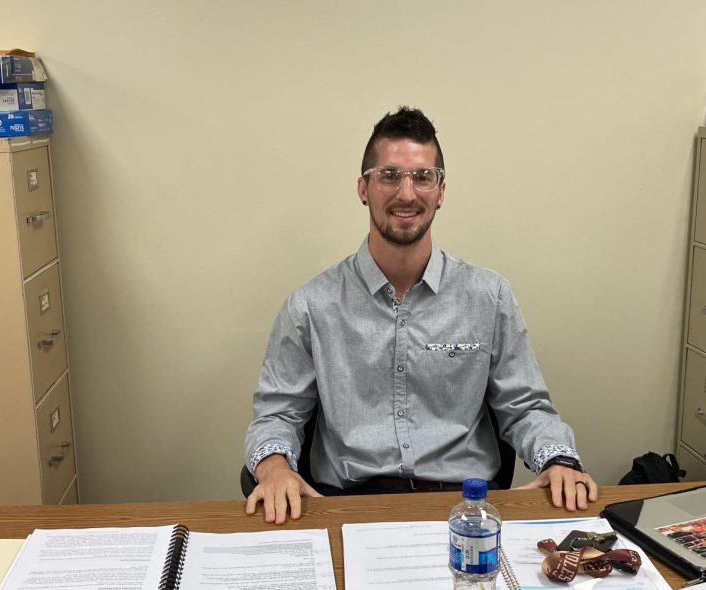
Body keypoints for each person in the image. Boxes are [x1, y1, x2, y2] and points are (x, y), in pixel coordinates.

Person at [244, 106, 597, 524]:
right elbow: (277, 415)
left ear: (441, 190)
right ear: (363, 188)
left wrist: (558, 459)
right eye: (389, 175)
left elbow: (524, 406)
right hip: (349, 505)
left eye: (422, 177)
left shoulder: (488, 296)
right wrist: (275, 467)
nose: (407, 194)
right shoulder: (310, 306)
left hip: (465, 509)